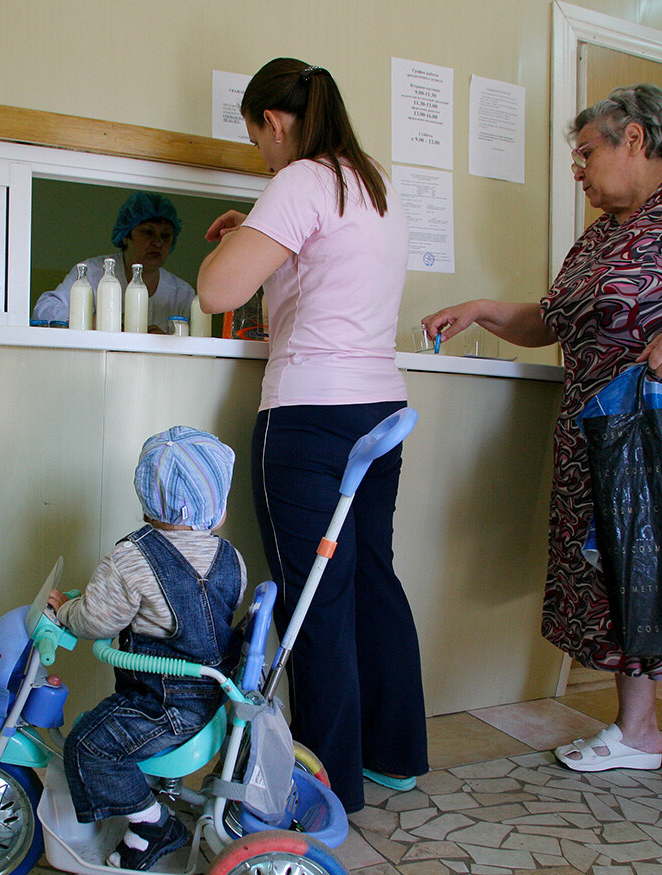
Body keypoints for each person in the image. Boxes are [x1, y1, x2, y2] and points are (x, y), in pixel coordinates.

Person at [422, 84, 662, 814]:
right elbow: (552, 319)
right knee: (621, 571)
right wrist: (480, 307)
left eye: (585, 152)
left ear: (633, 139)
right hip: (613, 432)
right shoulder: (600, 235)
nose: (577, 169)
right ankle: (637, 731)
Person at [196, 57, 428, 814]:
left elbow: (214, 290)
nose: (261, 155)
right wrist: (256, 232)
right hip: (381, 411)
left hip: (309, 414)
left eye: (256, 138)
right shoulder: (375, 184)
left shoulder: (299, 180)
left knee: (313, 599)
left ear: (273, 121)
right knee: (373, 583)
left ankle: (330, 783)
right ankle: (394, 755)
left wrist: (245, 234)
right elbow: (323, 273)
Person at [46, 426, 246, 869]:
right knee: (99, 737)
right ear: (215, 506)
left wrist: (64, 612)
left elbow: (95, 620)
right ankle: (144, 811)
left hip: (161, 705)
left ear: (146, 497)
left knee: (87, 748)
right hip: (214, 699)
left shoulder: (130, 559)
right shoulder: (232, 557)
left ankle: (153, 824)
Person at [32, 191, 195, 333]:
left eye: (166, 235)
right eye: (147, 232)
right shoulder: (92, 273)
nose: (158, 242)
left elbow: (195, 347)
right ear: (125, 236)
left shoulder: (181, 293)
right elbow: (44, 310)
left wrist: (168, 342)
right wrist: (89, 321)